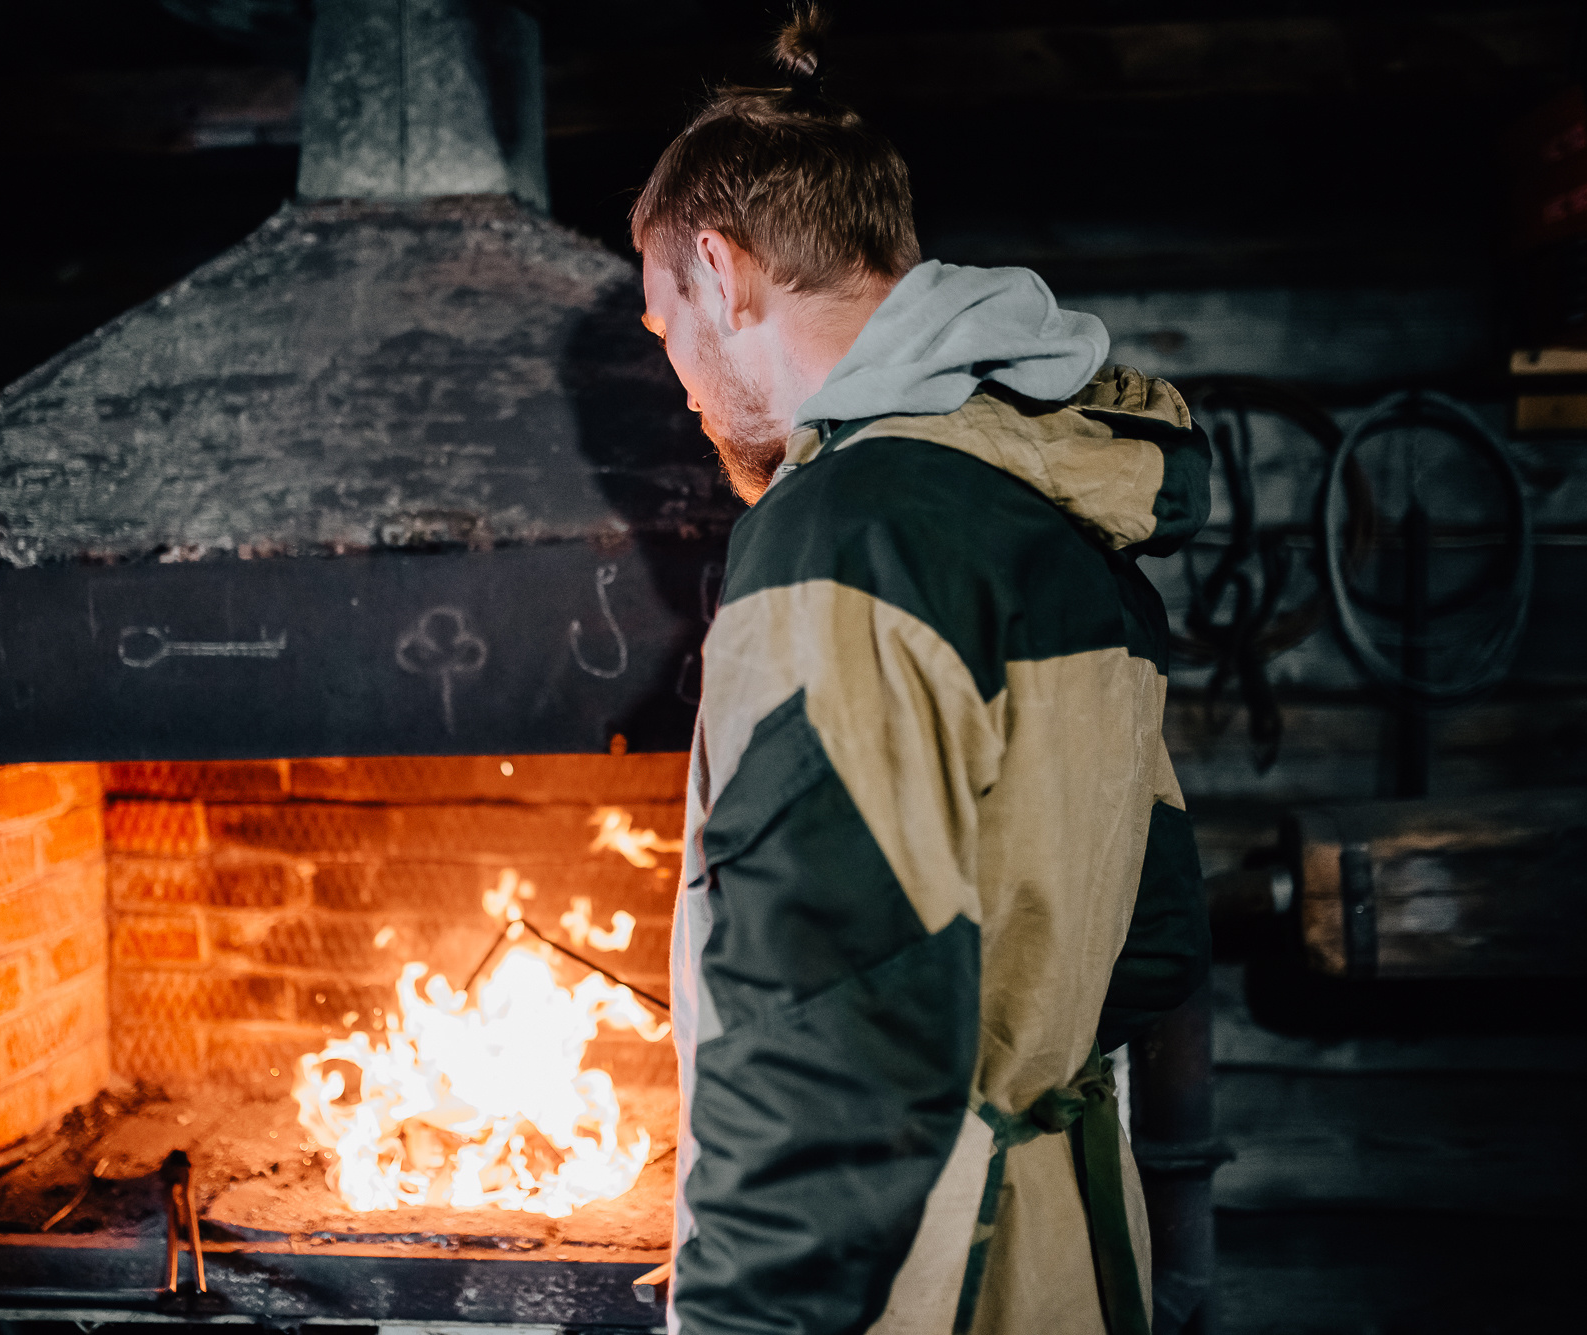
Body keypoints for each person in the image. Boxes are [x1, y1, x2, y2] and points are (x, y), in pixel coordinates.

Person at [633, 9, 1211, 1335]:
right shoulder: (1049, 503)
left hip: (924, 1284)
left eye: (664, 327)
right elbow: (1156, 930)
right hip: (1064, 1252)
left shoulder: (842, 537)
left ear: (722, 274)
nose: (680, 385)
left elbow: (826, 1049)